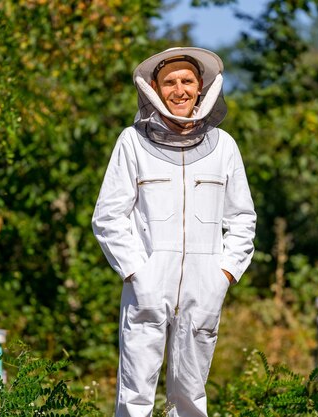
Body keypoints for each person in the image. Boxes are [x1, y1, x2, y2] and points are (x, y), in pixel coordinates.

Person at [92, 46, 256, 417]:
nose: (179, 90)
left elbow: (243, 217)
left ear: (202, 87)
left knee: (192, 396)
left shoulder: (224, 147)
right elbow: (108, 216)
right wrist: (137, 272)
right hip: (148, 280)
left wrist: (224, 274)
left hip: (205, 282)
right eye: (169, 82)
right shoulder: (132, 142)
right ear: (153, 87)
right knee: (135, 395)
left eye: (187, 81)